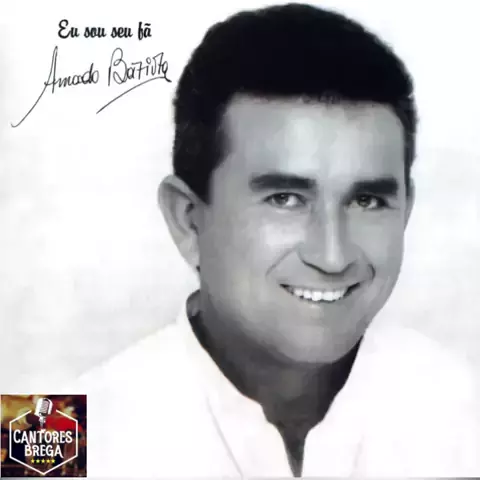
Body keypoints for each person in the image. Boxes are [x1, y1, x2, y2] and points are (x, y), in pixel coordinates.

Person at [64, 3, 479, 477]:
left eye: (366, 201)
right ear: (188, 221)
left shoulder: (462, 411)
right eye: (285, 199)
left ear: (406, 210)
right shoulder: (57, 438)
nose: (332, 256)